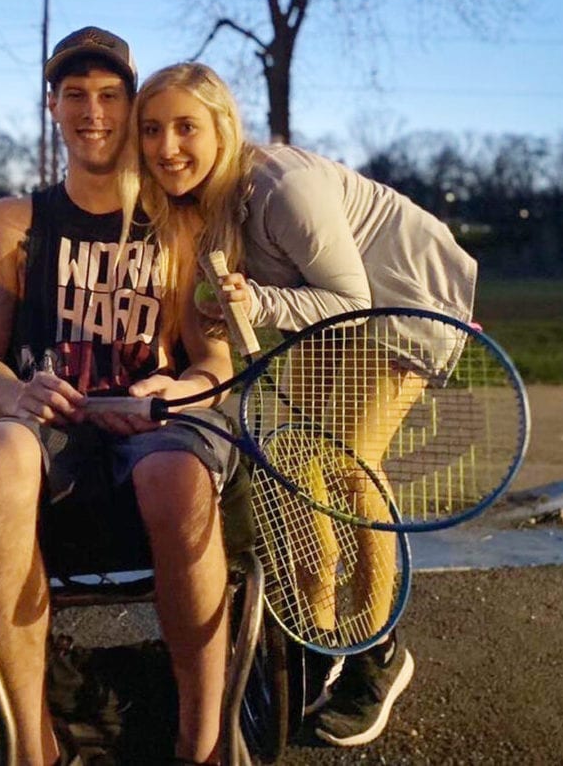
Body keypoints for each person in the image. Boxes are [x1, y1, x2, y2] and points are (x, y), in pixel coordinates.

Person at [122, 61, 478, 749]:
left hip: (403, 302)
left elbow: (350, 301)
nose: (167, 146)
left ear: (223, 127)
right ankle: (316, 638)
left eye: (185, 127)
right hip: (324, 317)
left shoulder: (282, 188)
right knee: (287, 464)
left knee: (346, 464)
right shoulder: (205, 203)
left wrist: (254, 302)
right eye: (152, 130)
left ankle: (376, 653)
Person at [0, 30, 237, 766]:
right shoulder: (13, 223)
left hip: (155, 426)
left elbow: (214, 363)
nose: (93, 111)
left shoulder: (182, 222)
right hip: (53, 428)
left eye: (110, 95)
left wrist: (178, 391)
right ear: (52, 106)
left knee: (174, 476)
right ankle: (32, 745)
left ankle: (201, 743)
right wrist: (19, 397)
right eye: (74, 94)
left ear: (130, 103)